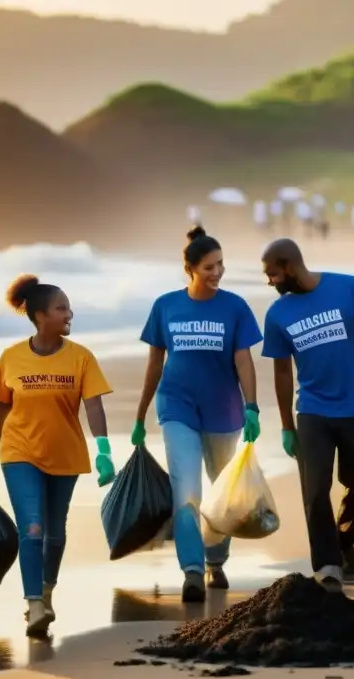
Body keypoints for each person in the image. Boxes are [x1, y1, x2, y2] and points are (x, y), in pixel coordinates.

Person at [0, 275, 115, 637]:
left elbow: (93, 404)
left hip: (65, 453)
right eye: (61, 308)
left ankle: (47, 590)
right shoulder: (12, 358)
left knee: (54, 534)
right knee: (32, 528)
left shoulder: (81, 358)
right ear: (39, 316)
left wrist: (103, 450)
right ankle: (34, 604)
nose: (69, 313)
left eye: (68, 307)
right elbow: (1, 410)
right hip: (20, 452)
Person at [260, 239, 354, 593]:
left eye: (273, 274)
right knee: (315, 491)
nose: (270, 281)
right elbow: (281, 372)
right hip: (312, 412)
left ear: (289, 267)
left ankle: (344, 539)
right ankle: (327, 566)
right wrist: (287, 426)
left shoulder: (349, 287)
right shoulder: (277, 314)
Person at [134, 226, 263, 603]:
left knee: (220, 489)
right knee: (186, 489)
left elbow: (244, 360)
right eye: (209, 266)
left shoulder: (235, 306)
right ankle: (192, 569)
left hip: (224, 409)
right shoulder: (166, 306)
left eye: (221, 264)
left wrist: (252, 405)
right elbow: (155, 362)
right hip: (176, 406)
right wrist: (141, 414)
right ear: (190, 268)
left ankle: (216, 560)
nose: (217, 272)